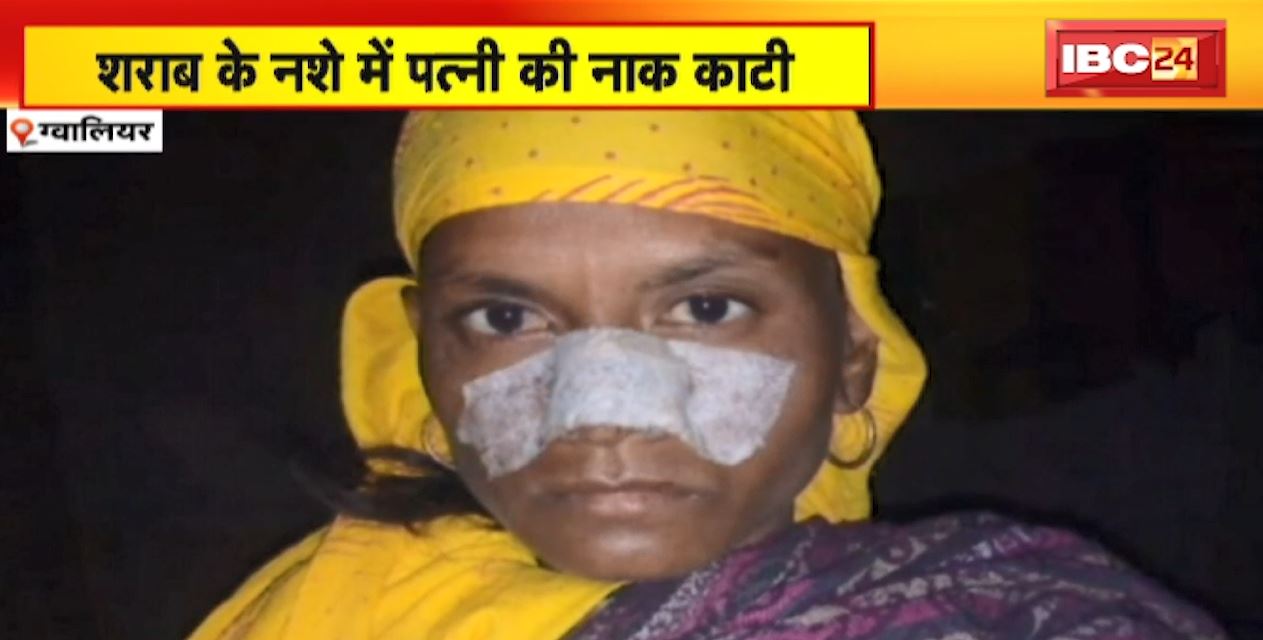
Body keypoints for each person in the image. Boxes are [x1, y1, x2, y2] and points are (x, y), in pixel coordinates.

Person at [189, 111, 1225, 639]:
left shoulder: (999, 610)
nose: (599, 409)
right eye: (508, 318)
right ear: (422, 354)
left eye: (704, 309)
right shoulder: (329, 607)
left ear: (852, 359)